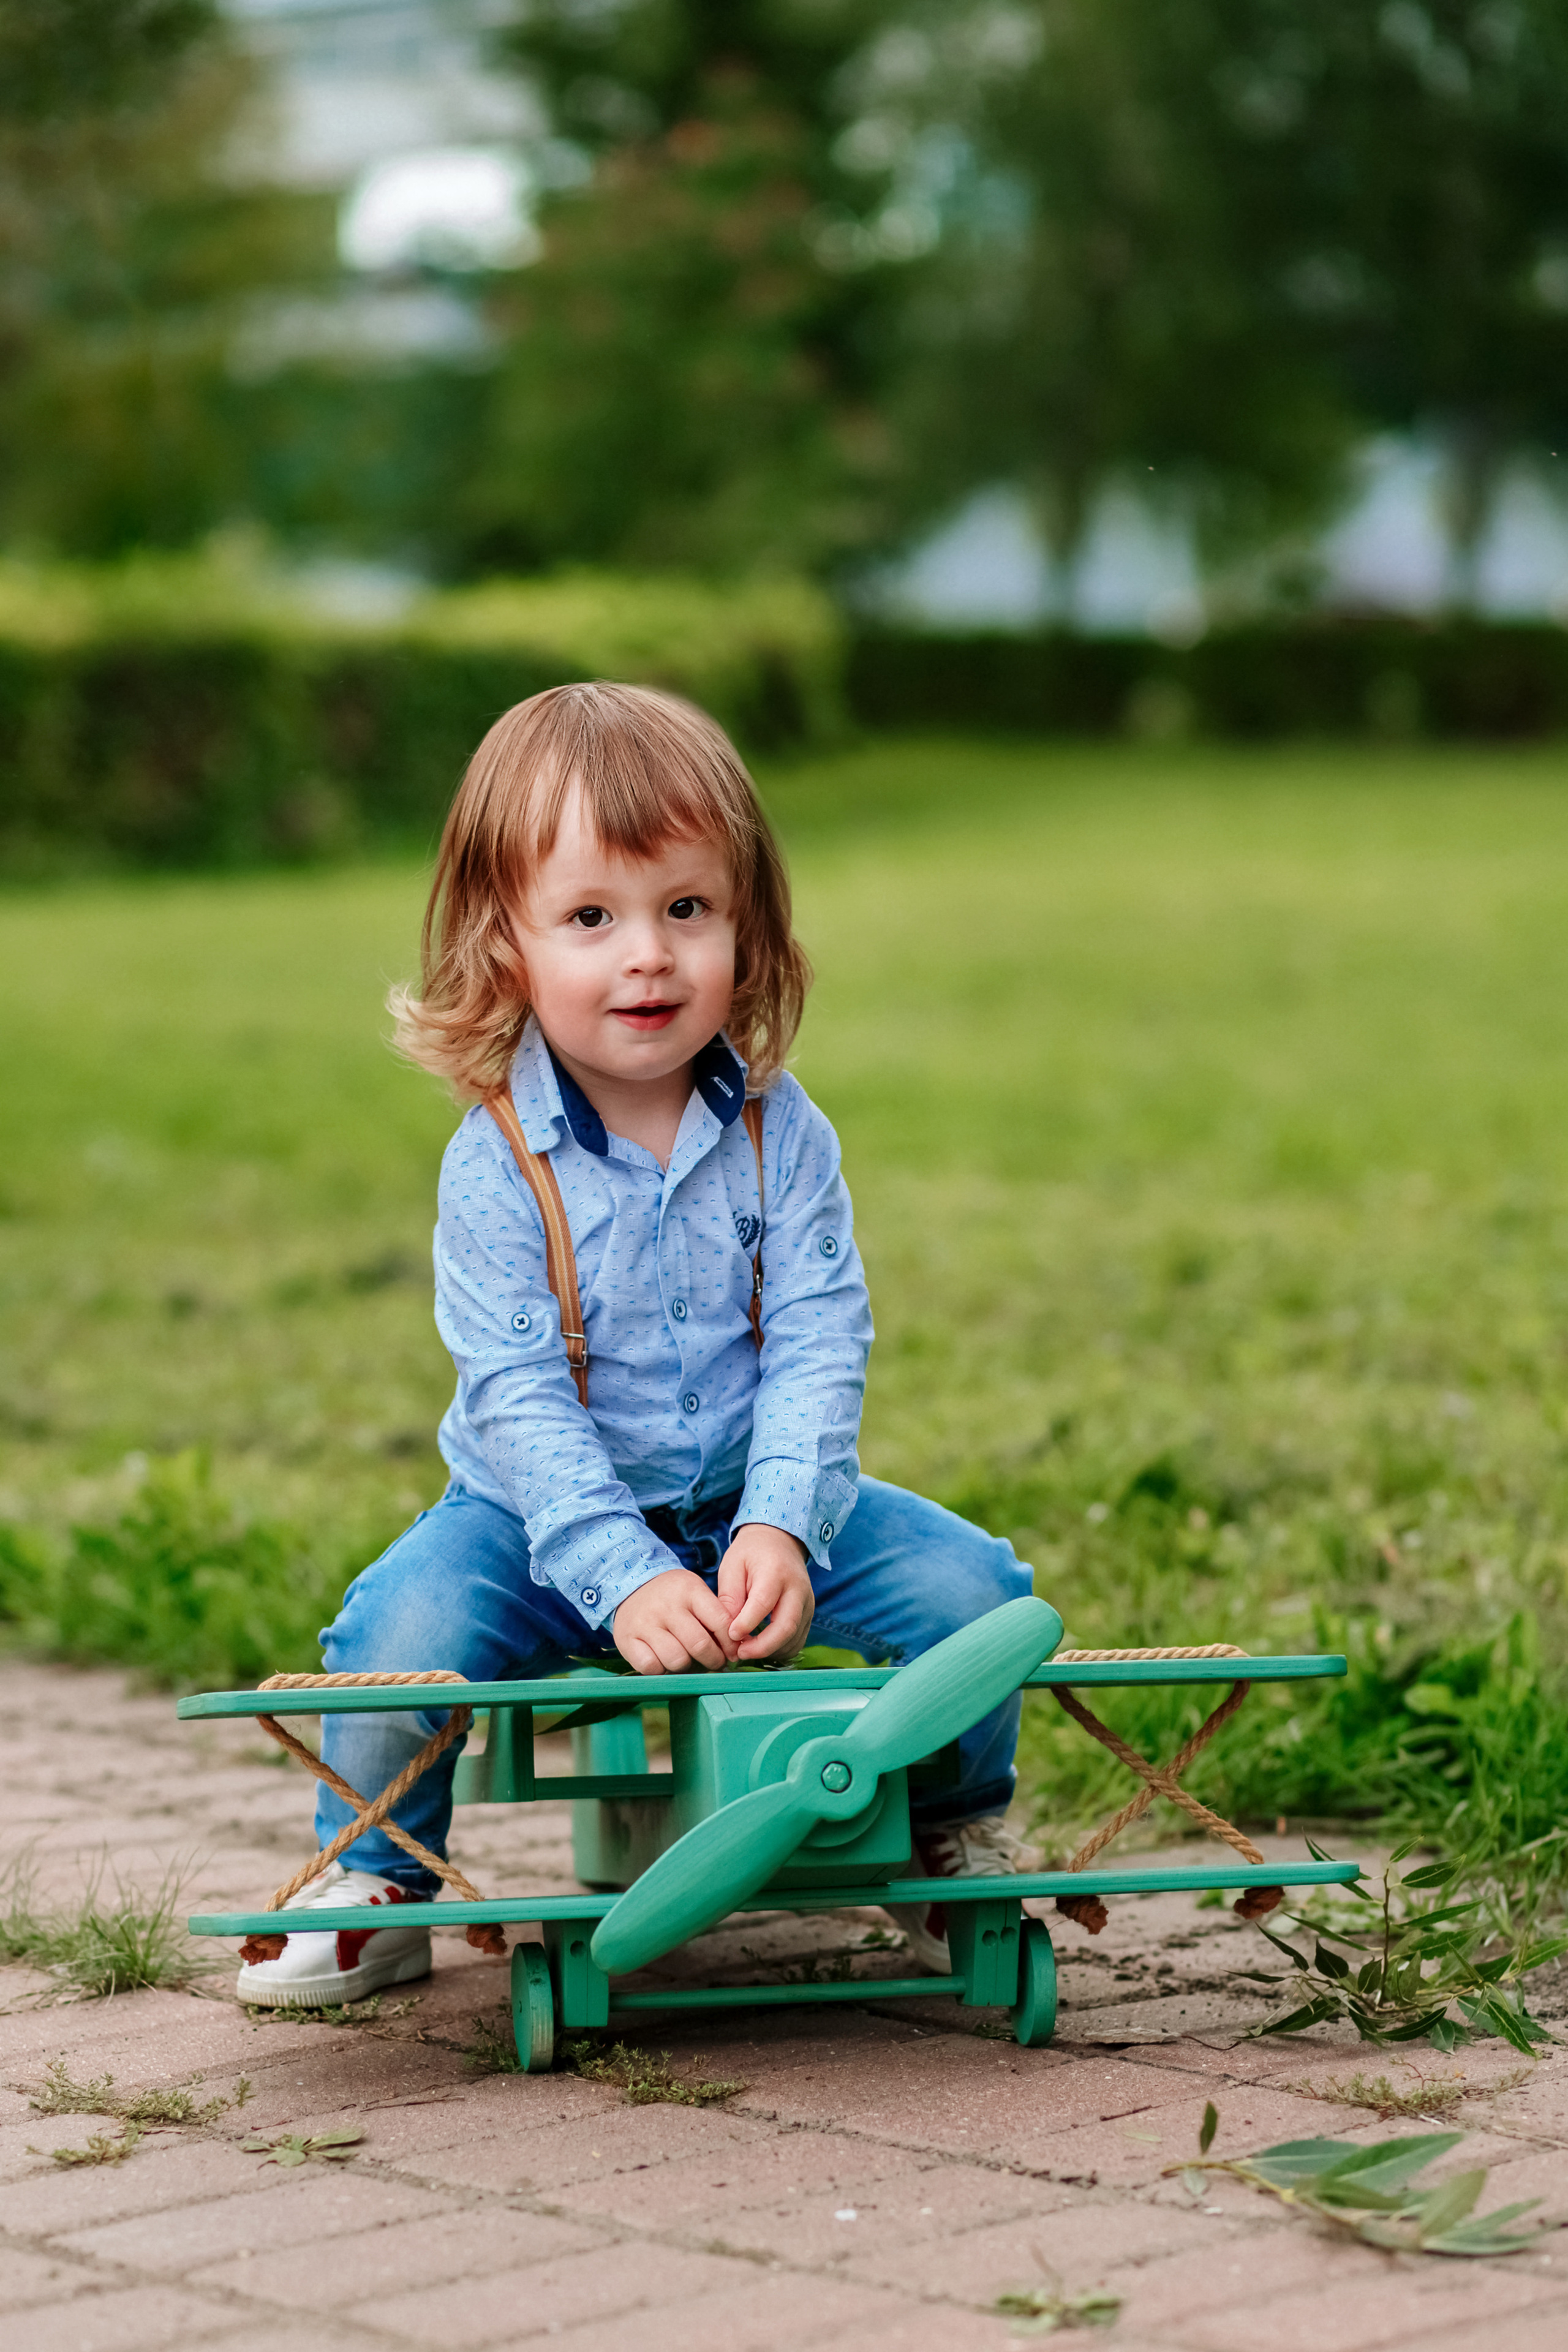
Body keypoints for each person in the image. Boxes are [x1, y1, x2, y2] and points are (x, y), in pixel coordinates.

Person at [238, 682, 1035, 2008]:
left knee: (978, 1601)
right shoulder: (497, 1163)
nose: (647, 957)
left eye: (685, 910)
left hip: (744, 1508)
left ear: (746, 926)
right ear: (510, 947)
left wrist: (780, 1523)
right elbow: (518, 1399)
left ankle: (945, 1837)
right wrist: (615, 1574)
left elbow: (818, 1342)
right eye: (592, 918)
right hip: (538, 1522)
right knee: (402, 1624)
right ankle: (378, 1877)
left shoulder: (786, 1133)